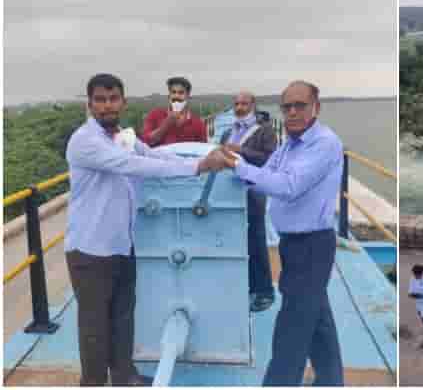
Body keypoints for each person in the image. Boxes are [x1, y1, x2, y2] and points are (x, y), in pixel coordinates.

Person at [64, 73, 228, 386]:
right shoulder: (86, 141)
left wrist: (200, 154)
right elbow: (134, 166)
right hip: (90, 251)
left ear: (123, 102)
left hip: (121, 245)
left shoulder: (122, 137)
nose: (107, 105)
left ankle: (124, 376)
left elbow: (153, 154)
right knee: (95, 330)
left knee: (123, 318)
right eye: (100, 99)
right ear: (90, 104)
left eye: (113, 99)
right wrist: (197, 167)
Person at [217, 80, 344, 386]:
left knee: (291, 329)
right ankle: (331, 381)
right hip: (293, 243)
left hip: (312, 245)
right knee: (317, 321)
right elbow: (266, 176)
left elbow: (288, 186)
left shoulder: (323, 143)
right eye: (287, 107)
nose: (292, 112)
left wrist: (239, 168)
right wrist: (232, 165)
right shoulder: (289, 144)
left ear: (316, 107)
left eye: (300, 105)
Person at [221, 90, 278, 312]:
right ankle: (244, 284)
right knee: (235, 239)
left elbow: (269, 159)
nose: (240, 107)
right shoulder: (228, 132)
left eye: (244, 103)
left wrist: (240, 150)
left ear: (253, 105)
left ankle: (264, 291)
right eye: (236, 103)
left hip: (254, 190)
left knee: (256, 240)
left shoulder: (265, 131)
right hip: (230, 190)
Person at [141, 76, 207, 146]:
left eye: (181, 93)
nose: (176, 96)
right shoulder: (155, 115)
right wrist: (166, 124)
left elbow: (202, 149)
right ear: (169, 96)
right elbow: (145, 142)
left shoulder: (198, 123)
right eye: (173, 92)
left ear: (188, 96)